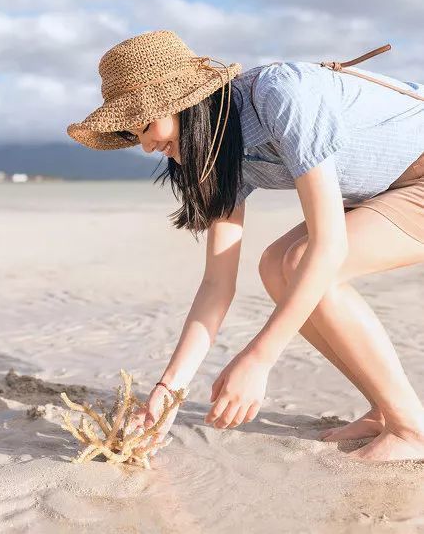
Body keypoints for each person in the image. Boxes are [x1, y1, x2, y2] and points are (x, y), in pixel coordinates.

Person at [66, 30, 424, 463]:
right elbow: (217, 284)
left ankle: (411, 429)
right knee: (275, 265)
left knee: (301, 259)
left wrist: (259, 359)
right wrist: (167, 393)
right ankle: (386, 412)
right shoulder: (213, 154)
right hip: (388, 187)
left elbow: (328, 247)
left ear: (184, 102)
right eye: (132, 133)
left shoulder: (280, 95)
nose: (145, 146)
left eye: (145, 125)